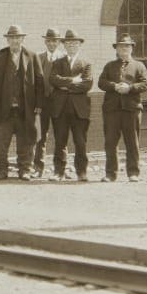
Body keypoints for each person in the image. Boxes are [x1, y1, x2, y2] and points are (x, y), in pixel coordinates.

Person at [0, 25, 46, 180]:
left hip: (25, 109)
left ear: (22, 39)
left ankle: (25, 169)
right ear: (7, 40)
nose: (15, 41)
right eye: (11, 38)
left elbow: (40, 82)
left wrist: (39, 105)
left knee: (26, 142)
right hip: (3, 109)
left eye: (18, 38)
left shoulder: (32, 56)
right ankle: (1, 170)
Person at [97, 34, 147, 183]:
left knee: (132, 142)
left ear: (131, 48)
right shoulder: (109, 66)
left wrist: (130, 88)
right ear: (117, 49)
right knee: (110, 142)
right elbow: (101, 82)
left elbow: (145, 84)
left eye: (127, 46)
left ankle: (133, 173)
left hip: (131, 109)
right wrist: (114, 86)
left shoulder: (139, 66)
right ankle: (110, 174)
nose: (124, 49)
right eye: (121, 46)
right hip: (112, 110)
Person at [48, 29, 93, 181]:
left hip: (79, 109)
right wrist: (73, 81)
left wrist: (64, 84)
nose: (72, 45)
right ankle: (58, 172)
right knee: (60, 141)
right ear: (64, 45)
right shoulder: (57, 62)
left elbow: (87, 84)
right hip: (60, 108)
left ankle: (81, 172)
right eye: (68, 43)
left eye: (75, 43)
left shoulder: (86, 63)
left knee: (80, 142)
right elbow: (53, 79)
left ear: (80, 45)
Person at [33, 28, 66, 179]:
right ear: (45, 42)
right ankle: (38, 168)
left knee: (60, 136)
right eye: (49, 41)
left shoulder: (64, 58)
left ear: (59, 42)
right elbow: (35, 83)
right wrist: (37, 103)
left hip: (60, 103)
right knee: (40, 137)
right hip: (43, 103)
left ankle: (59, 170)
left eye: (55, 41)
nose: (52, 43)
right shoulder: (38, 59)